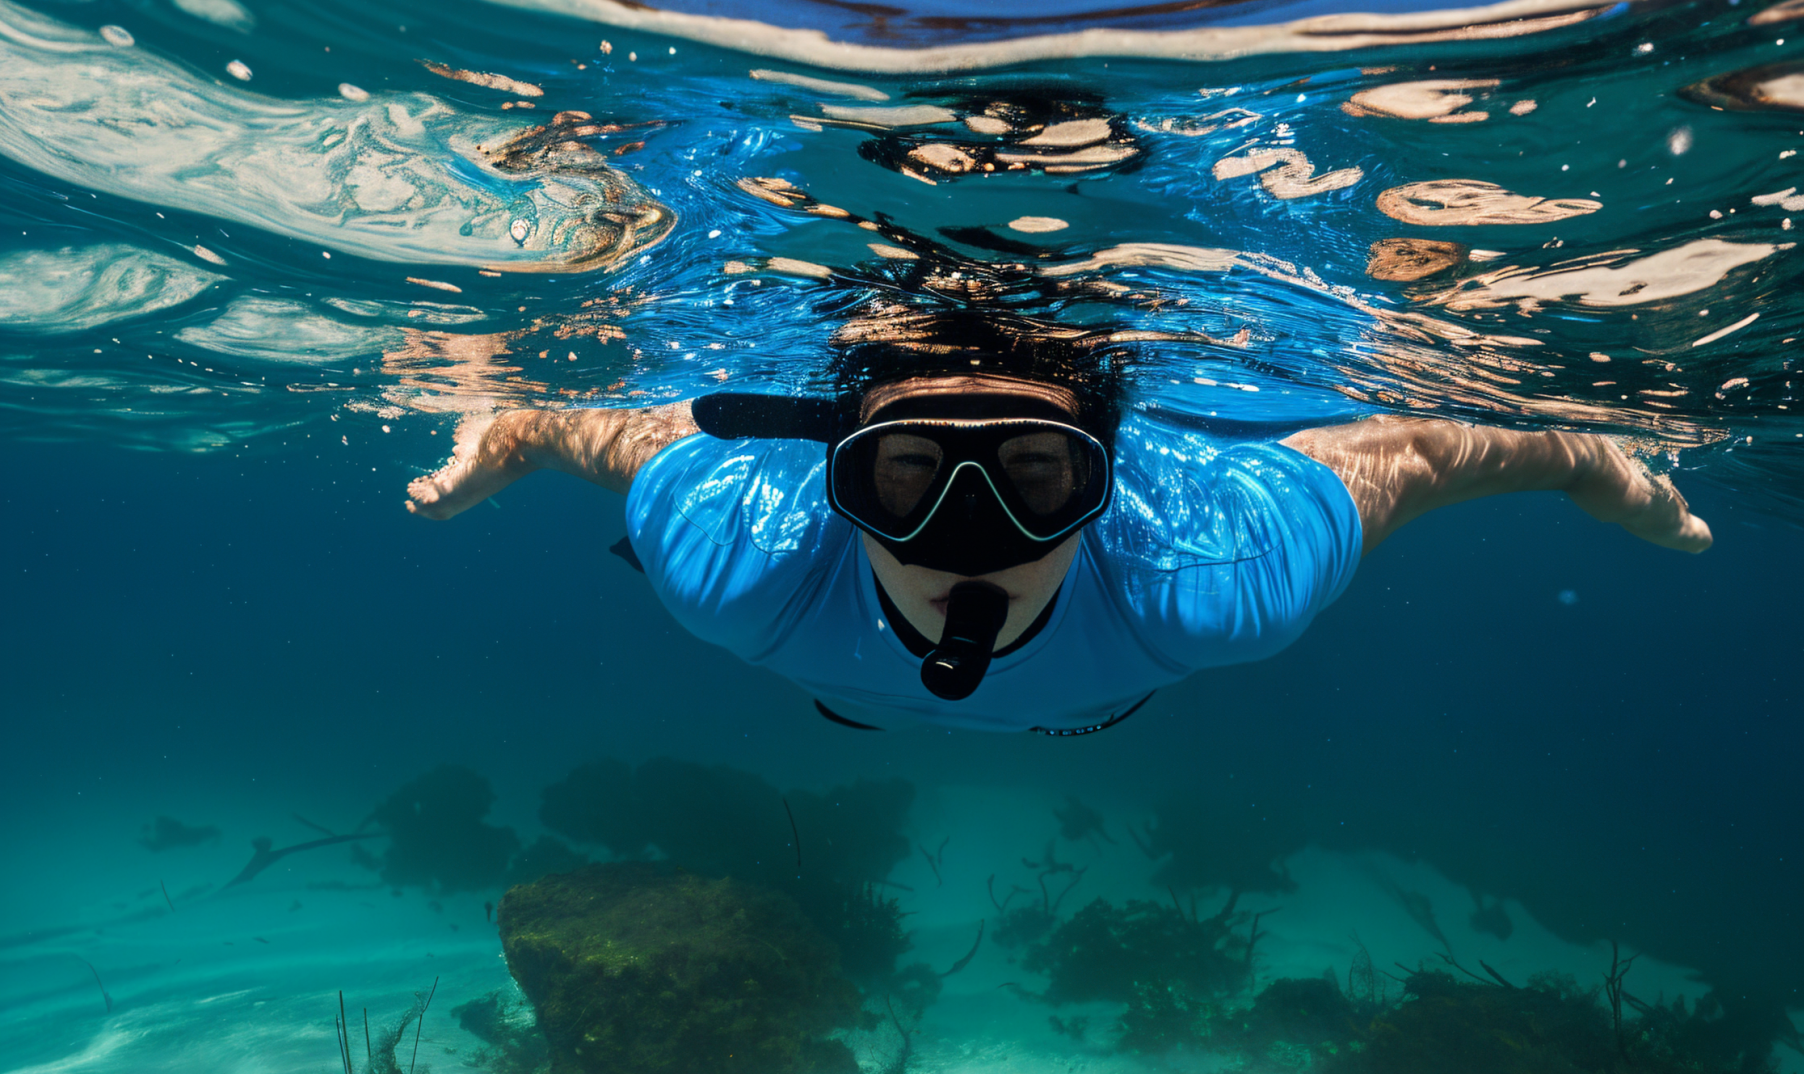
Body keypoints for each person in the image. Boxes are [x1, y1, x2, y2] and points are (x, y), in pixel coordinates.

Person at [407, 314, 1709, 738]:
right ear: (836, 476)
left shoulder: (1202, 567)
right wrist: (511, 426)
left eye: (1035, 477)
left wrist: (1582, 459)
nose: (966, 540)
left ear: (1109, 479)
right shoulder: (744, 557)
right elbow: (601, 433)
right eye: (908, 478)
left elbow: (1420, 446)